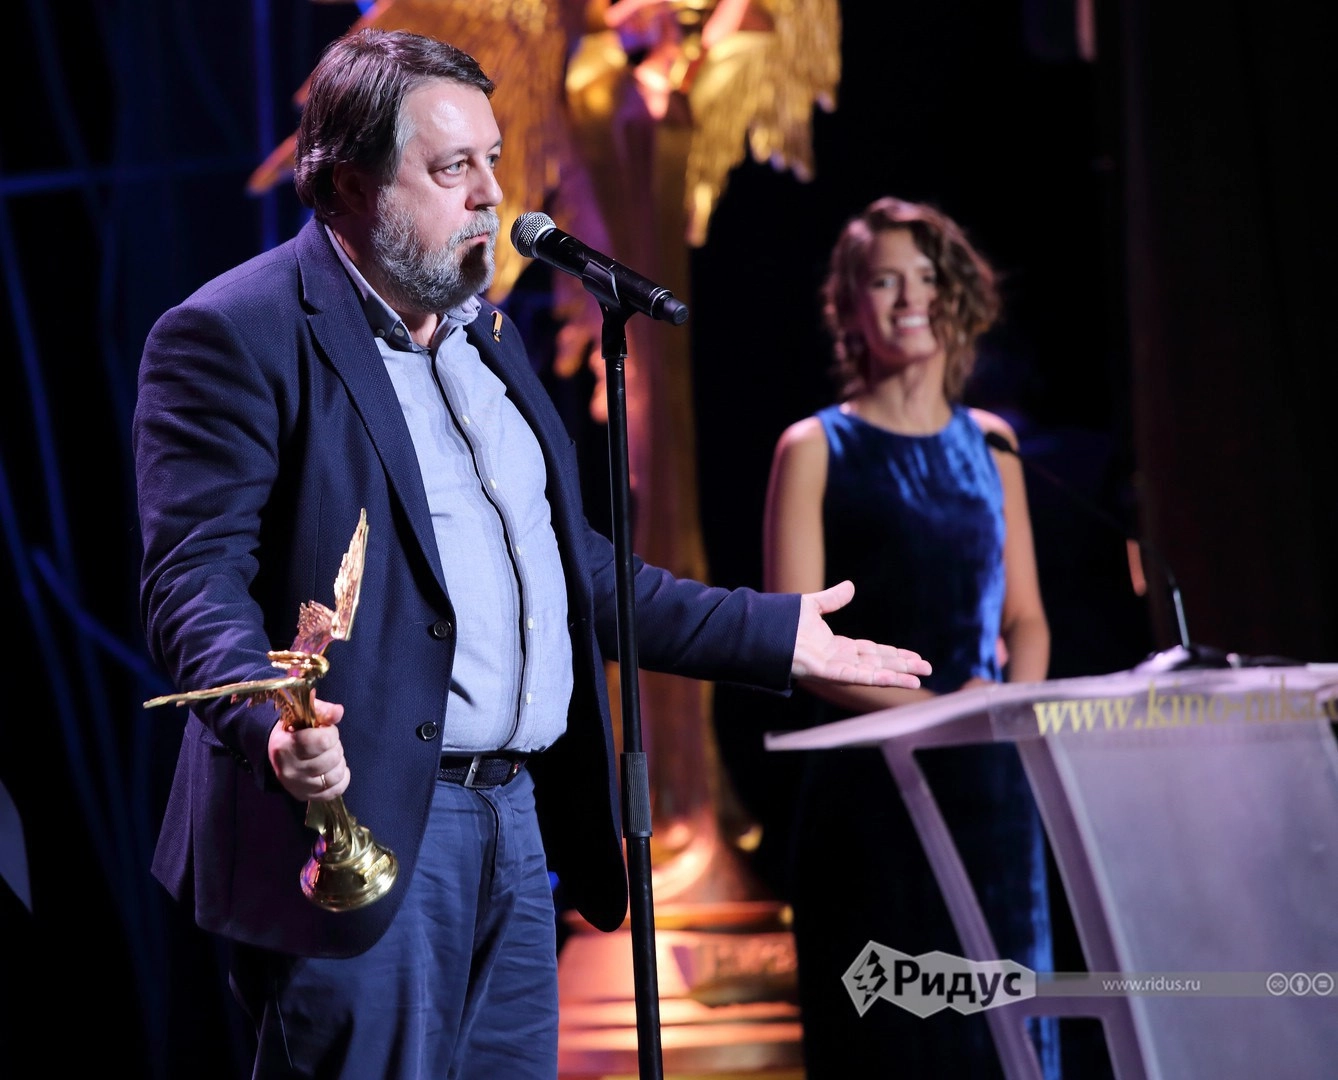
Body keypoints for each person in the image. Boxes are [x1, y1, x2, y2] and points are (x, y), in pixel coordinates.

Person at [132, 29, 932, 1080]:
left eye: (494, 159)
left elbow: (574, 573)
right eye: (452, 168)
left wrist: (776, 637)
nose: (491, 194)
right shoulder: (235, 332)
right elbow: (193, 586)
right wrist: (269, 726)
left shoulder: (488, 340)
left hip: (515, 824)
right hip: (359, 823)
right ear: (351, 184)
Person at [762, 196, 1056, 1077]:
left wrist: (1003, 706)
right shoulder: (815, 447)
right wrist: (933, 715)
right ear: (849, 306)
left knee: (1002, 1039)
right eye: (885, 281)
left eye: (927, 278)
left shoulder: (992, 444)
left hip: (992, 787)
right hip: (872, 786)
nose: (910, 298)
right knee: (891, 1044)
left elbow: (1026, 618)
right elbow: (796, 639)